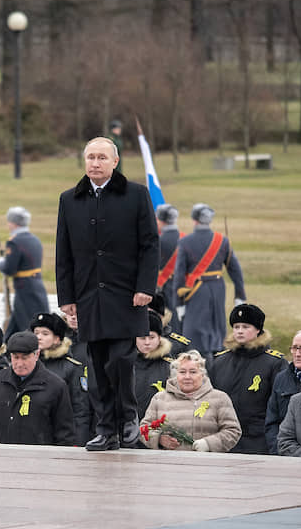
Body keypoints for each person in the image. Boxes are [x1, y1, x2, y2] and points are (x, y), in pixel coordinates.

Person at [56, 136, 159, 451]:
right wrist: (66, 297)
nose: (95, 163)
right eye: (90, 157)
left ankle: (128, 418)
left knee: (121, 360)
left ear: (115, 162)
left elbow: (150, 245)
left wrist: (145, 288)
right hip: (88, 295)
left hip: (126, 295)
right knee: (97, 365)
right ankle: (106, 430)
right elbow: (64, 252)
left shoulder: (136, 195)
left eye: (102, 157)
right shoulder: (69, 199)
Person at [209, 304, 287, 454]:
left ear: (258, 330)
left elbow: (278, 405)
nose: (239, 331)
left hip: (258, 440)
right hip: (223, 438)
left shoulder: (274, 363)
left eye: (245, 327)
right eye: (236, 327)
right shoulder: (219, 361)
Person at [0, 330, 75, 446]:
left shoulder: (56, 386)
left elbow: (64, 433)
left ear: (36, 354)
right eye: (15, 358)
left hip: (39, 459)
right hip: (1, 457)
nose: (19, 363)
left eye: (25, 358)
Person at [173, 203, 246, 358]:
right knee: (217, 324)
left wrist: (179, 303)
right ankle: (216, 354)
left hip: (195, 290)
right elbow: (235, 270)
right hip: (218, 287)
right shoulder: (222, 241)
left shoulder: (185, 242)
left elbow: (179, 274)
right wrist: (240, 295)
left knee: (193, 329)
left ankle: (198, 359)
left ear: (194, 220)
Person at [140, 350, 241, 453]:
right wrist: (159, 439)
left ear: (202, 374)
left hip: (208, 464)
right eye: (182, 372)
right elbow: (143, 430)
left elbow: (232, 431)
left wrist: (209, 444)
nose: (187, 377)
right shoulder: (160, 399)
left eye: (193, 372)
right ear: (176, 375)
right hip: (170, 464)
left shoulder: (220, 398)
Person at [30, 312, 91, 446]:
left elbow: (80, 409)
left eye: (45, 334)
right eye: (36, 333)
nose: (39, 337)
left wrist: (79, 442)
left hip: (60, 436)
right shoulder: (26, 365)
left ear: (57, 339)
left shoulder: (71, 368)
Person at [264, 329, 301, 454]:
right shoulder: (281, 378)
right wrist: (278, 451)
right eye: (294, 348)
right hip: (284, 454)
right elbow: (272, 422)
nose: (297, 354)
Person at [0, 206, 48, 339]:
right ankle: (6, 349)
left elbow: (9, 268)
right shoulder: (35, 239)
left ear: (13, 223)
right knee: (14, 326)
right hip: (36, 286)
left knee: (28, 326)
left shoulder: (14, 241)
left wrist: (1, 263)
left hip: (24, 289)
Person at [134, 310, 174, 422]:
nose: (147, 342)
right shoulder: (124, 365)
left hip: (158, 427)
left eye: (152, 337)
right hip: (129, 429)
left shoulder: (170, 367)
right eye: (142, 338)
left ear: (159, 338)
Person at [155, 203, 183, 332]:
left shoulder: (158, 240)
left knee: (170, 317)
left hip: (165, 284)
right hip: (185, 284)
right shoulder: (185, 238)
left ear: (159, 220)